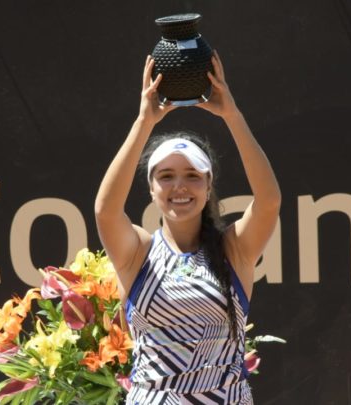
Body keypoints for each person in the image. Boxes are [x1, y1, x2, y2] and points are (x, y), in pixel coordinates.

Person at [94, 51, 281, 404]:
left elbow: (269, 201)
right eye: (166, 176)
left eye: (192, 176)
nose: (179, 186)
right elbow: (105, 211)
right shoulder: (139, 252)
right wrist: (143, 122)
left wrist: (232, 115)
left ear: (208, 187)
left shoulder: (233, 249)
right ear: (151, 189)